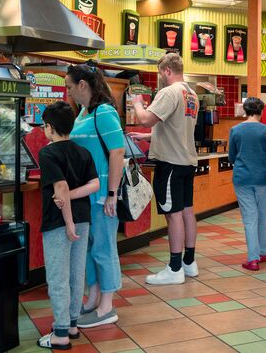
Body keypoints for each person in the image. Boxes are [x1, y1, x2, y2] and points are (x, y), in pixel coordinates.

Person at [129, 53, 200, 284]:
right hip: (186, 162)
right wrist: (149, 136)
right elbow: (175, 129)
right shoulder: (191, 94)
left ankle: (175, 268)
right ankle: (189, 263)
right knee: (187, 211)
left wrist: (138, 104)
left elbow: (146, 119)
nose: (161, 77)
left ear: (167, 70)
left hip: (170, 163)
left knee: (173, 214)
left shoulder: (169, 92)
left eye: (161, 73)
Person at [66, 65, 125, 329]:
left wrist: (111, 193)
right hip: (84, 195)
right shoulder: (82, 113)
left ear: (82, 85)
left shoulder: (104, 112)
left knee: (103, 249)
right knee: (88, 249)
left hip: (102, 195)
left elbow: (117, 153)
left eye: (69, 86)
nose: (67, 91)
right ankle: (93, 298)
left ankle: (107, 305)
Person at [37, 102, 100, 350]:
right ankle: (72, 324)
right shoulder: (82, 151)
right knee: (76, 273)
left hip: (59, 222)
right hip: (83, 218)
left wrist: (68, 222)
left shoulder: (48, 153)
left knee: (57, 276)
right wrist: (73, 206)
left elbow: (60, 188)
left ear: (50, 128)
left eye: (44, 126)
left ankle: (60, 333)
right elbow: (94, 184)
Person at [228, 97, 266, 271]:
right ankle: (263, 251)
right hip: (263, 179)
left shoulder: (235, 130)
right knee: (262, 214)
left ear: (245, 110)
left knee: (249, 218)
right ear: (261, 112)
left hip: (242, 179)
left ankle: (252, 259)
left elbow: (231, 157)